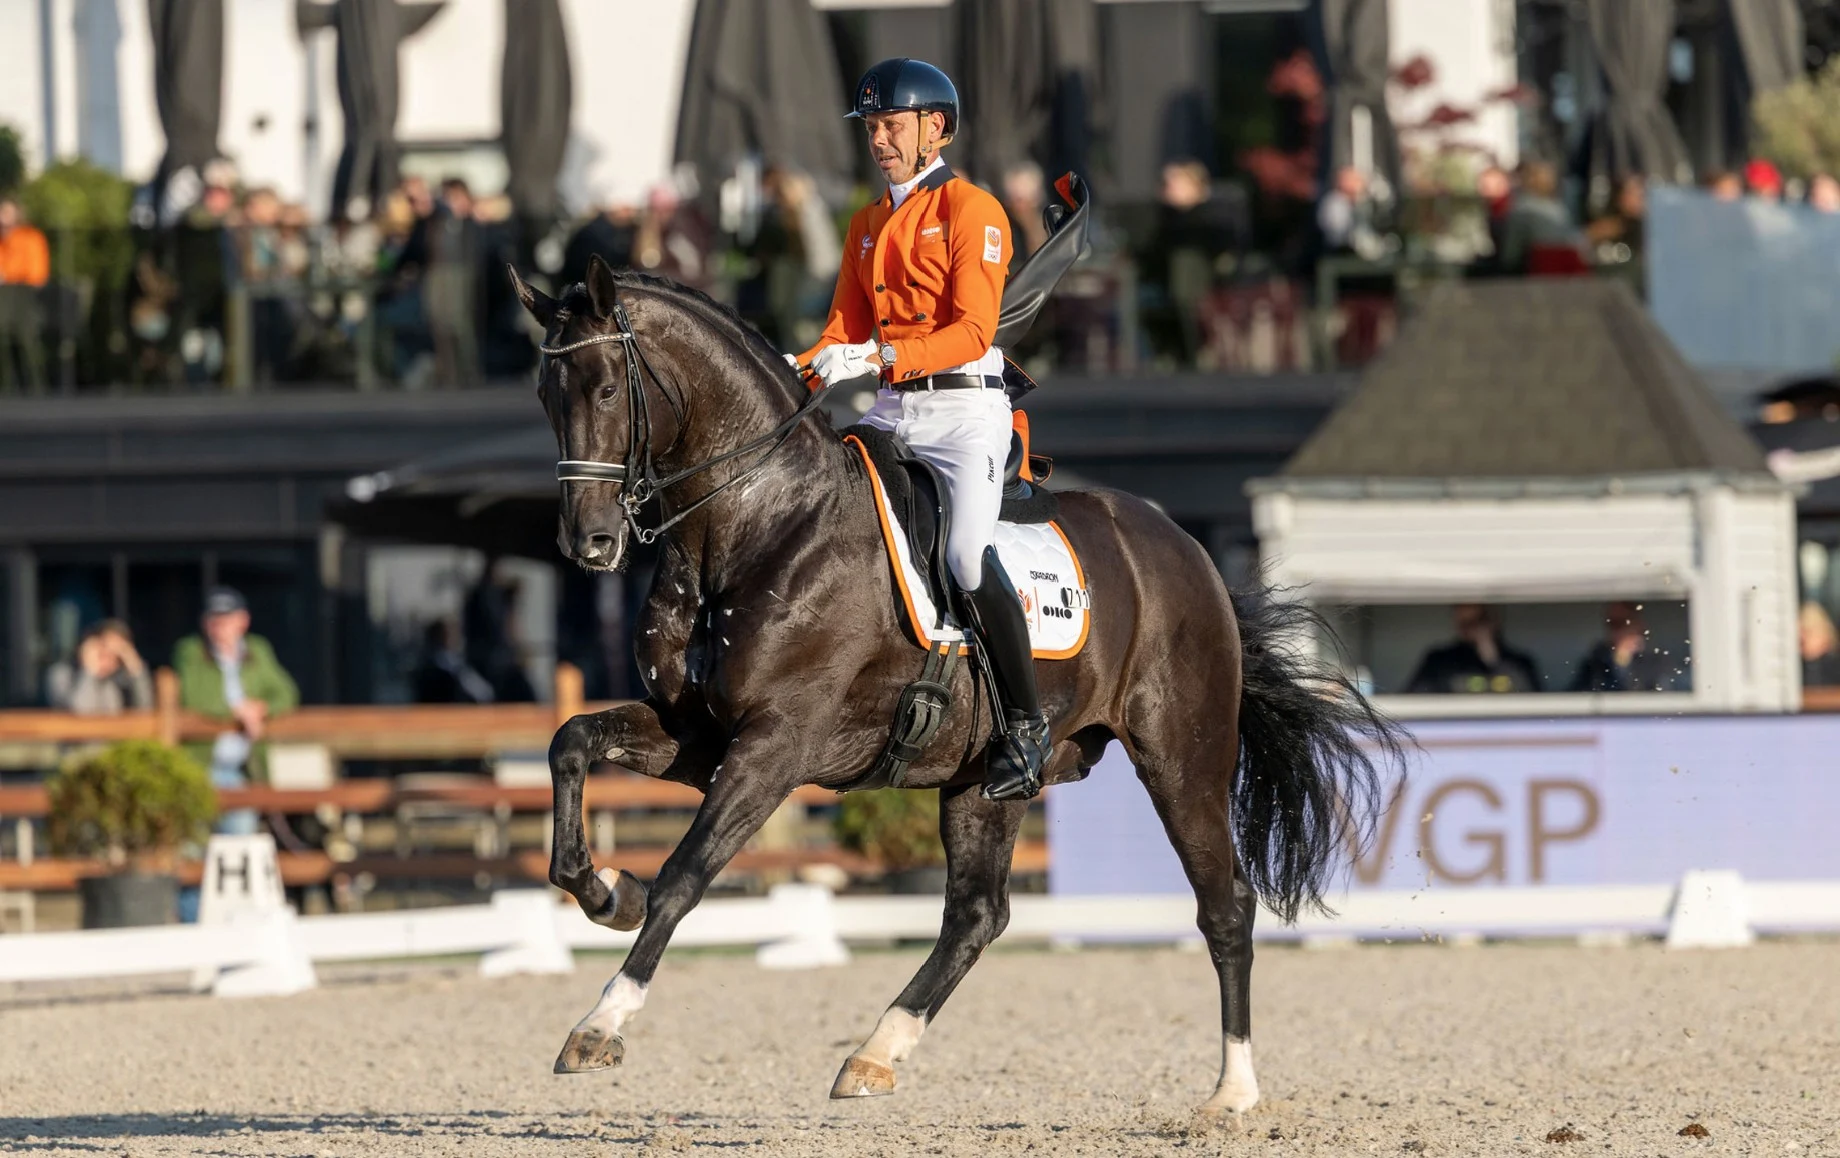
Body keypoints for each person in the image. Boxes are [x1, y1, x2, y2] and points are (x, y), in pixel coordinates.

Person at [794, 57, 1048, 801]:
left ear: (935, 128)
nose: (878, 140)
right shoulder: (865, 223)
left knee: (966, 554)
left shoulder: (974, 210)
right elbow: (840, 332)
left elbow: (972, 332)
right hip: (891, 409)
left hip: (964, 411)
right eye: (871, 127)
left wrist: (877, 356)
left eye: (891, 125)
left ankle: (1026, 725)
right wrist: (787, 369)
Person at [173, 586, 300, 834]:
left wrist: (260, 709)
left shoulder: (257, 650)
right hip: (201, 764)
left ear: (243, 620)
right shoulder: (190, 651)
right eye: (213, 619)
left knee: (240, 833)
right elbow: (193, 699)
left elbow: (286, 693)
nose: (219, 626)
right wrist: (237, 712)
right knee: (194, 838)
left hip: (242, 768)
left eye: (226, 619)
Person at [1406, 604, 1542, 694]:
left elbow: (1532, 702)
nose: (1471, 629)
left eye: (1476, 622)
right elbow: (1414, 698)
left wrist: (1493, 659)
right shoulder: (1439, 661)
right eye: (1464, 623)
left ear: (1494, 620)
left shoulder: (1519, 663)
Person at [1568, 601, 1679, 693]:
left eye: (1622, 623)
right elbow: (1577, 695)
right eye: (1611, 623)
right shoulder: (1596, 662)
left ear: (1638, 624)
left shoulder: (1656, 661)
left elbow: (1664, 696)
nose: (1616, 631)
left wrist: (1624, 659)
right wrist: (1618, 661)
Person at [47, 620, 152, 714]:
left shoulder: (118, 681)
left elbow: (145, 711)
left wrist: (135, 669)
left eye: (116, 657)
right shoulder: (62, 674)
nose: (109, 661)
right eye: (104, 654)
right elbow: (81, 713)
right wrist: (89, 669)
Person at [0, 194, 50, 391]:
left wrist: (9, 275)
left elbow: (37, 273)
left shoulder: (31, 238)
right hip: (4, 297)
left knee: (27, 341)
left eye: (6, 212)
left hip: (24, 296)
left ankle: (37, 386)